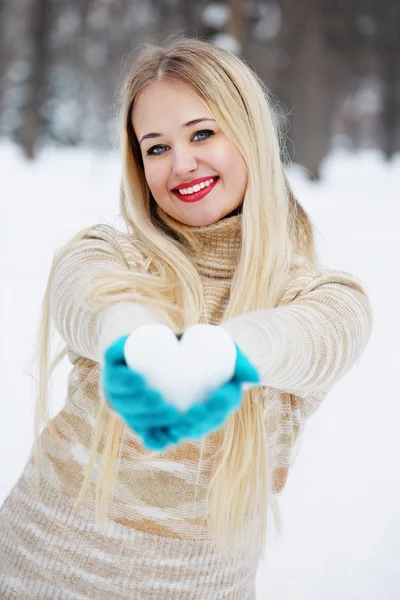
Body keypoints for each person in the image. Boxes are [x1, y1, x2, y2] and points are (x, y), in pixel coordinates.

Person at [0, 35, 373, 599]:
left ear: (249, 132)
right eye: (155, 147)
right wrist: (141, 347)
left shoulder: (320, 297)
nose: (181, 164)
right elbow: (96, 303)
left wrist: (221, 355)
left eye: (202, 133)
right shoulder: (108, 253)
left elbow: (311, 336)